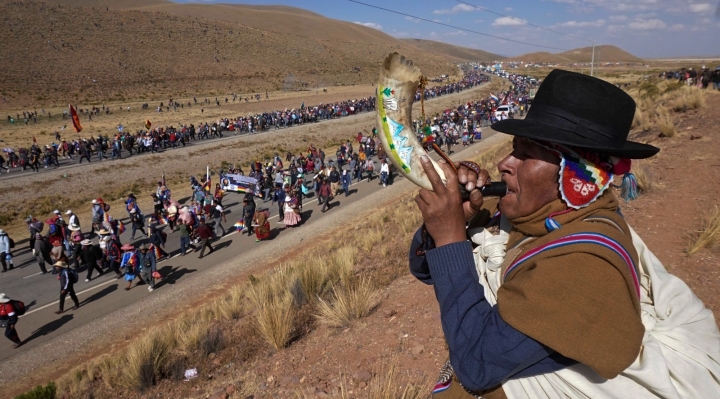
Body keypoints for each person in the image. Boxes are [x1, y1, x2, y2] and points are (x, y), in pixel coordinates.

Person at [410, 69, 720, 398]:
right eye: (514, 147)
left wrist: (449, 237)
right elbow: (425, 268)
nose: (504, 163)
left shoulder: (582, 265)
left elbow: (474, 366)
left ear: (576, 176)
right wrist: (458, 220)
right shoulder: (540, 218)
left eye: (527, 154)